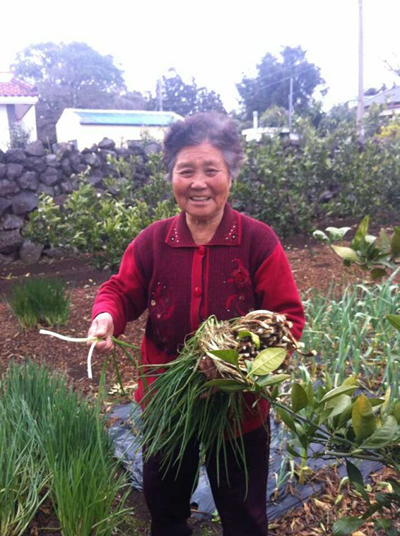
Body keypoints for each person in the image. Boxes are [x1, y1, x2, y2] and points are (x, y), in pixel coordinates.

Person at [88, 112, 305, 536]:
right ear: (171, 175)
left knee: (244, 518)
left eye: (212, 170)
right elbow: (122, 290)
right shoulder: (154, 240)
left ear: (230, 174)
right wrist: (105, 317)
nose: (199, 182)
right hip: (167, 405)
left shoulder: (257, 240)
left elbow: (289, 319)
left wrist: (236, 364)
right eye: (186, 170)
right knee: (166, 512)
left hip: (238, 408)